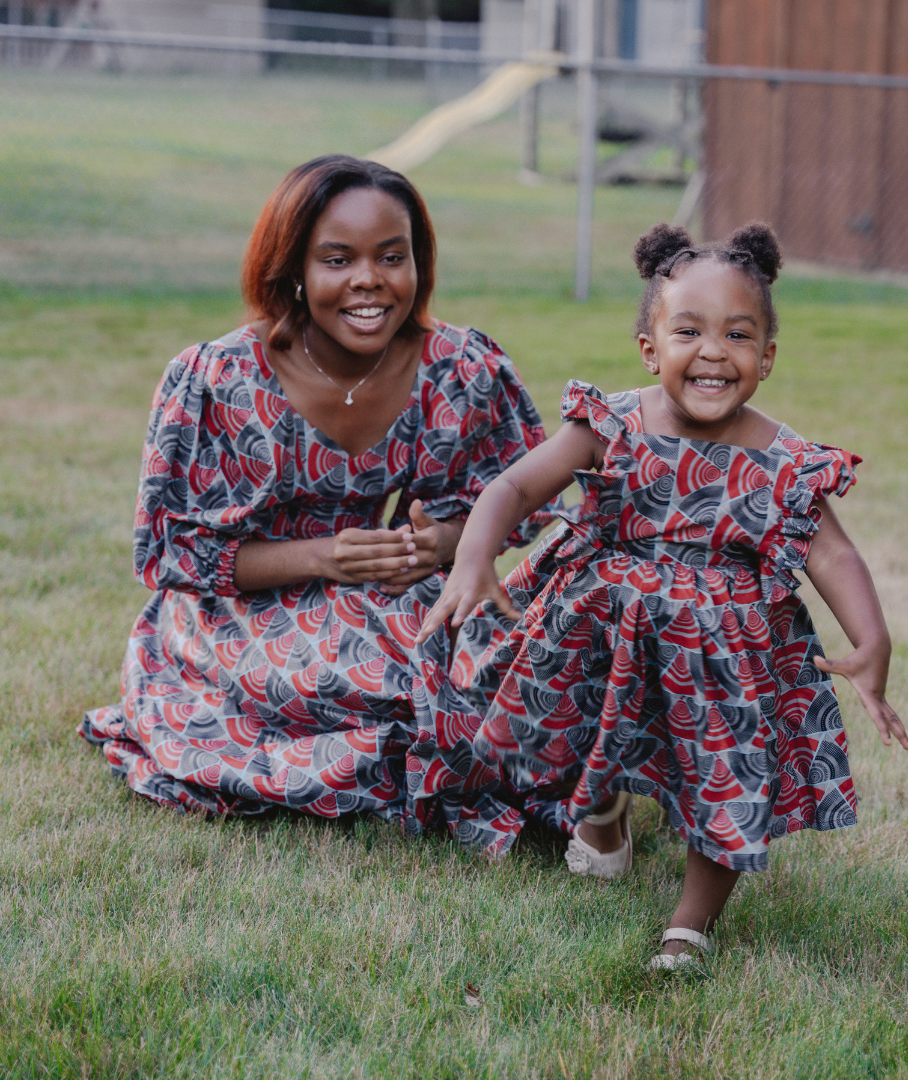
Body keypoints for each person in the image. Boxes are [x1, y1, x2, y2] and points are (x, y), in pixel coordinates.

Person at [416, 221, 908, 967]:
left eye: (738, 335)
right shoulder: (611, 424)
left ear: (767, 358)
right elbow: (515, 485)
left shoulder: (784, 460)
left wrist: (872, 643)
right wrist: (474, 558)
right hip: (602, 621)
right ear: (650, 347)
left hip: (723, 651)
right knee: (586, 721)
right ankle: (604, 813)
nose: (713, 351)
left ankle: (690, 924)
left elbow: (832, 551)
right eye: (689, 330)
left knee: (725, 771)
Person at [80, 155, 554, 853]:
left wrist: (442, 543)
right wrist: (323, 557)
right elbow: (172, 555)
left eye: (392, 257)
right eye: (338, 259)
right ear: (293, 269)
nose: (369, 280)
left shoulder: (460, 368)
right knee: (387, 675)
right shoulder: (221, 379)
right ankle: (430, 761)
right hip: (244, 616)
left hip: (393, 591)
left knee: (512, 655)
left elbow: (520, 498)